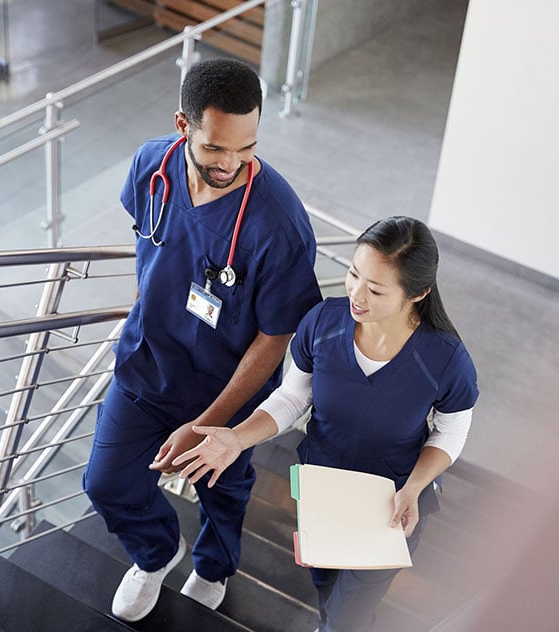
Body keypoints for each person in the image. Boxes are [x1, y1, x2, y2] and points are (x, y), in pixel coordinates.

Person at [81, 58, 322, 623]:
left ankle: (214, 567)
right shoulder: (152, 166)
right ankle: (158, 553)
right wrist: (149, 302)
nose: (232, 164)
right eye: (216, 148)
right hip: (146, 367)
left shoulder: (278, 223)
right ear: (183, 124)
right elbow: (149, 241)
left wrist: (211, 422)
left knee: (224, 491)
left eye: (247, 148)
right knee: (106, 483)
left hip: (227, 394)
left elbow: (274, 336)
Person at [174, 216, 479, 632]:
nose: (356, 293)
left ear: (419, 293)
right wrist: (237, 439)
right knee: (323, 579)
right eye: (354, 274)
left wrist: (414, 488)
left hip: (391, 503)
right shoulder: (321, 323)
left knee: (351, 610)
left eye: (375, 289)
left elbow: (451, 430)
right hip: (322, 485)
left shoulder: (446, 359)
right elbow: (293, 396)